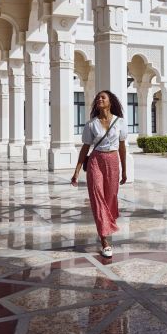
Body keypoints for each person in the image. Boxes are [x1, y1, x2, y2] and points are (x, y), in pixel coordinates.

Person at [71, 90, 127, 258]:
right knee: (98, 198)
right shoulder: (91, 124)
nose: (99, 100)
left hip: (113, 161)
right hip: (96, 161)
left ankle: (105, 226)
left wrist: (124, 170)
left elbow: (122, 147)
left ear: (110, 101)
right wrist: (76, 171)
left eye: (103, 97)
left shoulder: (120, 122)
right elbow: (85, 148)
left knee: (110, 198)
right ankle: (104, 240)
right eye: (97, 98)